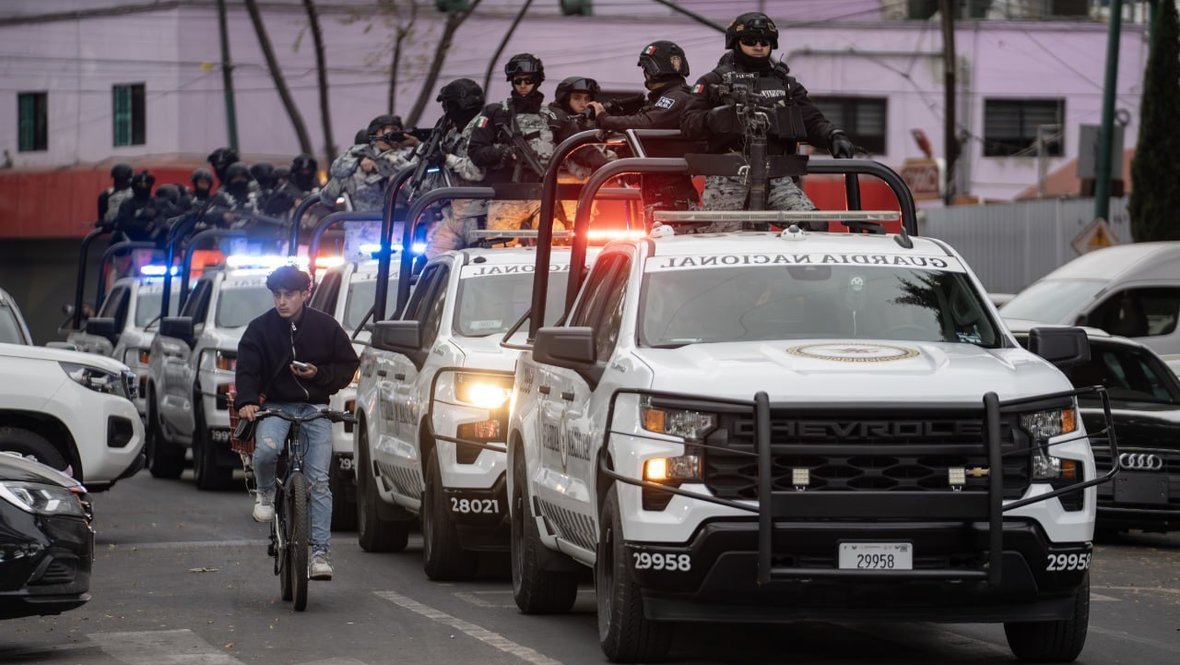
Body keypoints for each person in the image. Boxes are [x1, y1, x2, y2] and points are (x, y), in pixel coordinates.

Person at [234, 265, 359, 581]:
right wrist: (247, 400)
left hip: (316, 408)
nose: (282, 301)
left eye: (289, 294)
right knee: (266, 451)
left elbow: (348, 364)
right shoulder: (259, 329)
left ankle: (320, 555)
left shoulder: (326, 327)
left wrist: (320, 374)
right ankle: (265, 492)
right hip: (276, 407)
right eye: (277, 295)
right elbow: (246, 368)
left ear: (306, 293)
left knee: (319, 482)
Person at [680, 12, 855, 225]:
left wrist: (832, 135)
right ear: (735, 43)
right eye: (750, 41)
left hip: (777, 178)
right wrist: (716, 118)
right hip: (728, 177)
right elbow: (688, 122)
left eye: (764, 42)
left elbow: (811, 120)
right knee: (722, 238)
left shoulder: (786, 85)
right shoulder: (713, 82)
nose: (758, 46)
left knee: (813, 225)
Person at [588, 41, 701, 220]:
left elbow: (647, 122)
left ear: (653, 69)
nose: (645, 74)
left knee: (670, 237)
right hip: (661, 192)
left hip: (671, 195)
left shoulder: (677, 98)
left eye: (645, 69)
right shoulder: (667, 98)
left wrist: (604, 119)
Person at [468, 53, 572, 233]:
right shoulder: (495, 113)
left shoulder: (554, 116)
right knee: (500, 245)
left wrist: (606, 165)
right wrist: (503, 153)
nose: (523, 85)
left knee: (556, 240)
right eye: (518, 80)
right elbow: (476, 151)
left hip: (543, 195)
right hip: (506, 197)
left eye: (528, 80)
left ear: (537, 81)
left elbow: (579, 150)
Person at [424, 78, 494, 256]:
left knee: (478, 263)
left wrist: (447, 158)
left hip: (479, 215)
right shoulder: (453, 132)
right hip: (454, 213)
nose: (447, 110)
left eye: (449, 105)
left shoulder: (484, 130)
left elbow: (477, 172)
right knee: (430, 263)